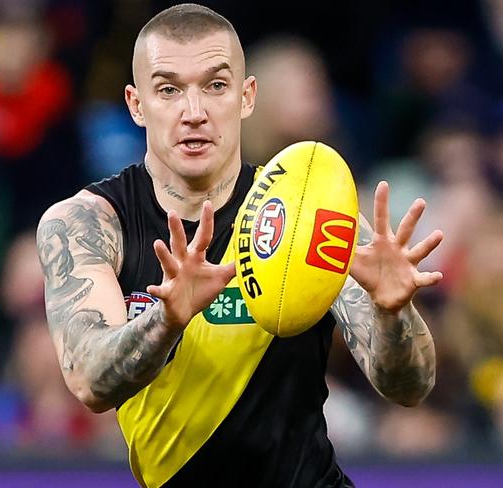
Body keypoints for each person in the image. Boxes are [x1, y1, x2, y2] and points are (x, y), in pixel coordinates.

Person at [36, 4, 444, 487]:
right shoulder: (90, 222)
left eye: (215, 86)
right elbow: (89, 380)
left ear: (246, 96)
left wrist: (392, 312)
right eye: (168, 90)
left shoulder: (306, 213)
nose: (194, 113)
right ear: (136, 104)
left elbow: (408, 386)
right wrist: (166, 320)